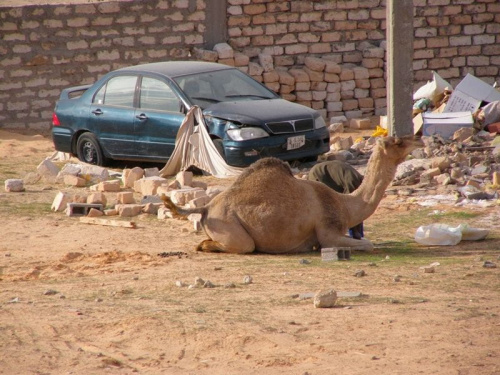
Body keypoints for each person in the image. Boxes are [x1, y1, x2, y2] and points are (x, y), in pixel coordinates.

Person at [307, 160, 365, 240]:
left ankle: (356, 234)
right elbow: (350, 206)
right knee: (322, 205)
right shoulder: (353, 181)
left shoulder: (356, 179)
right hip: (319, 174)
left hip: (330, 175)